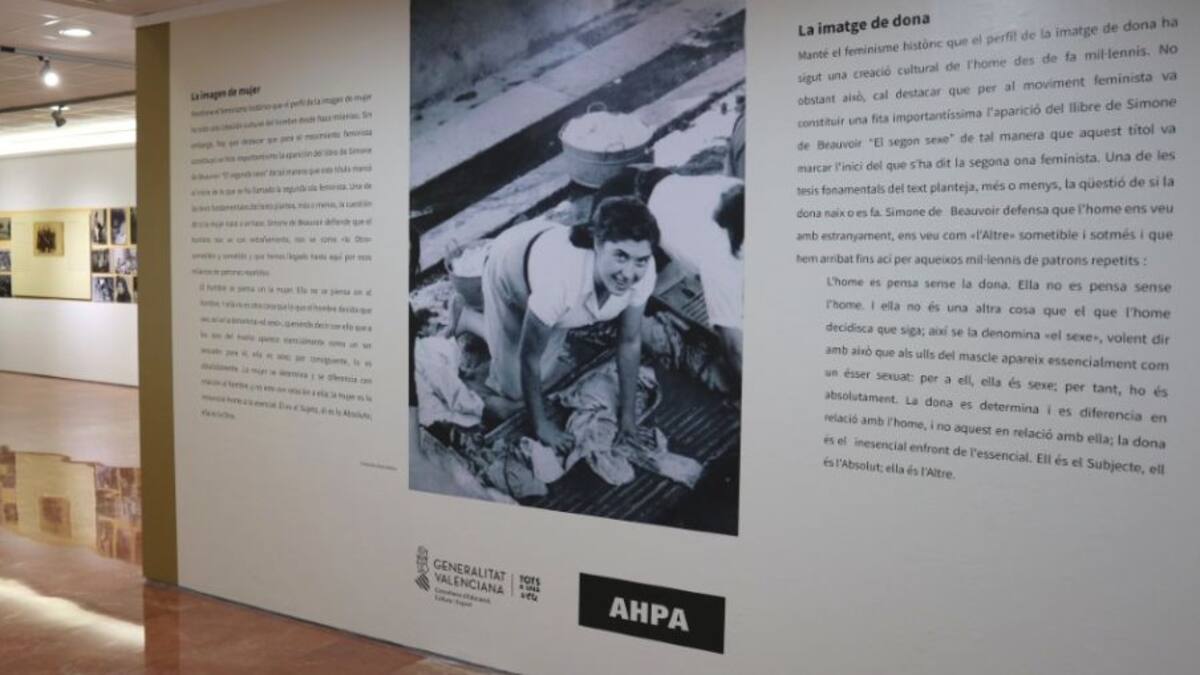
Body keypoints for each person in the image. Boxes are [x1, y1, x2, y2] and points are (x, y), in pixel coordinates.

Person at [450, 197, 659, 452]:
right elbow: (529, 358)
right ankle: (468, 318)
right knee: (515, 391)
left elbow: (629, 340)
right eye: (620, 256)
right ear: (597, 244)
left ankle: (483, 326)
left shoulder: (644, 272)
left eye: (640, 260)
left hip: (552, 288)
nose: (629, 273)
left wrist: (628, 418)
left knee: (548, 368)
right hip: (509, 271)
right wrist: (541, 426)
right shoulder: (560, 280)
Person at [595, 167, 744, 380]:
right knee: (613, 306)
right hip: (625, 205)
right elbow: (735, 348)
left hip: (655, 182)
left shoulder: (743, 196)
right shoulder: (721, 260)